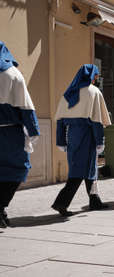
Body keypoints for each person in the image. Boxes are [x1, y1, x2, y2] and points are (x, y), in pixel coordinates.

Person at [53, 64, 111, 216]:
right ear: (92, 76)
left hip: (71, 135)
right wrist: (100, 141)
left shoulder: (68, 93)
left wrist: (61, 141)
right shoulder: (93, 92)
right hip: (87, 135)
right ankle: (61, 202)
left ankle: (94, 200)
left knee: (88, 169)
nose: (97, 78)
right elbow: (96, 121)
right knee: (80, 171)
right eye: (96, 75)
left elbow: (60, 121)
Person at [0, 42, 40, 227]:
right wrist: (33, 131)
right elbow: (26, 107)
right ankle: (1, 207)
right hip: (10, 133)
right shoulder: (13, 74)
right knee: (18, 169)